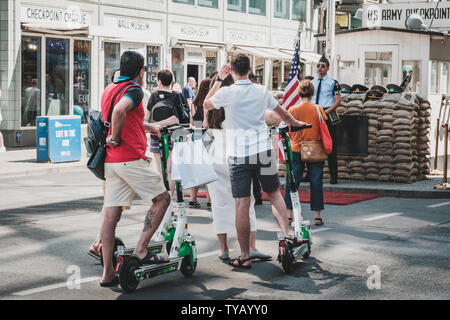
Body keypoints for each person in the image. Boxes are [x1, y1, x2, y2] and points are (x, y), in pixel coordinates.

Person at [204, 54, 308, 269]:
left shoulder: (226, 92)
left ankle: (244, 256)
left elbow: (206, 104)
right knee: (274, 195)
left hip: (239, 155)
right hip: (263, 151)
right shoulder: (261, 91)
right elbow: (283, 114)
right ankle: (288, 234)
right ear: (250, 69)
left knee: (241, 203)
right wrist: (296, 123)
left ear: (231, 70)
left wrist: (219, 81)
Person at [99, 51, 171, 286]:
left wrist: (147, 126)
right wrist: (117, 137)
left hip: (112, 162)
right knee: (162, 198)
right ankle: (141, 249)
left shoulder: (109, 89)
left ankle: (108, 272)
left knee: (111, 215)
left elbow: (120, 115)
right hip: (131, 158)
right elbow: (120, 111)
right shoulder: (134, 90)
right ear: (142, 71)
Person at [206, 75, 271, 262]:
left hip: (215, 156)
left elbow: (204, 116)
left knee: (219, 204)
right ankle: (251, 247)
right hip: (236, 154)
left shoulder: (211, 111)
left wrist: (216, 81)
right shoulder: (235, 105)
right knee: (245, 202)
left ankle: (224, 249)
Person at [284, 80, 327, 226]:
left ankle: (289, 214)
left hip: (296, 147)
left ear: (298, 92)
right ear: (312, 92)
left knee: (292, 181)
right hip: (314, 148)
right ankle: (317, 215)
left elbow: (288, 129)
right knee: (316, 180)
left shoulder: (292, 110)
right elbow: (323, 126)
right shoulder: (318, 109)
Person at [145, 69, 183, 194]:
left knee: (160, 170)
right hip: (173, 135)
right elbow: (180, 119)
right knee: (170, 170)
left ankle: (164, 198)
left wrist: (155, 125)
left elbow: (146, 117)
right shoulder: (176, 95)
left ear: (159, 81)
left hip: (156, 135)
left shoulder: (154, 95)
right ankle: (170, 198)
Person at [311, 55, 341, 184]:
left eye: (322, 66)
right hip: (313, 115)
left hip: (327, 114)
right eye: (318, 66)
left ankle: (334, 175)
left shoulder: (333, 83)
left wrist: (325, 112)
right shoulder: (312, 83)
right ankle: (312, 173)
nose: (320, 68)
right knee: (313, 144)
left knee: (330, 145)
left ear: (328, 68)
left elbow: (337, 101)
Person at [189, 78, 212, 209]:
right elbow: (207, 123)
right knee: (208, 168)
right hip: (207, 134)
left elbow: (192, 122)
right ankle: (210, 200)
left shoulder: (194, 103)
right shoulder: (208, 103)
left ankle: (192, 199)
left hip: (195, 134)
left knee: (195, 169)